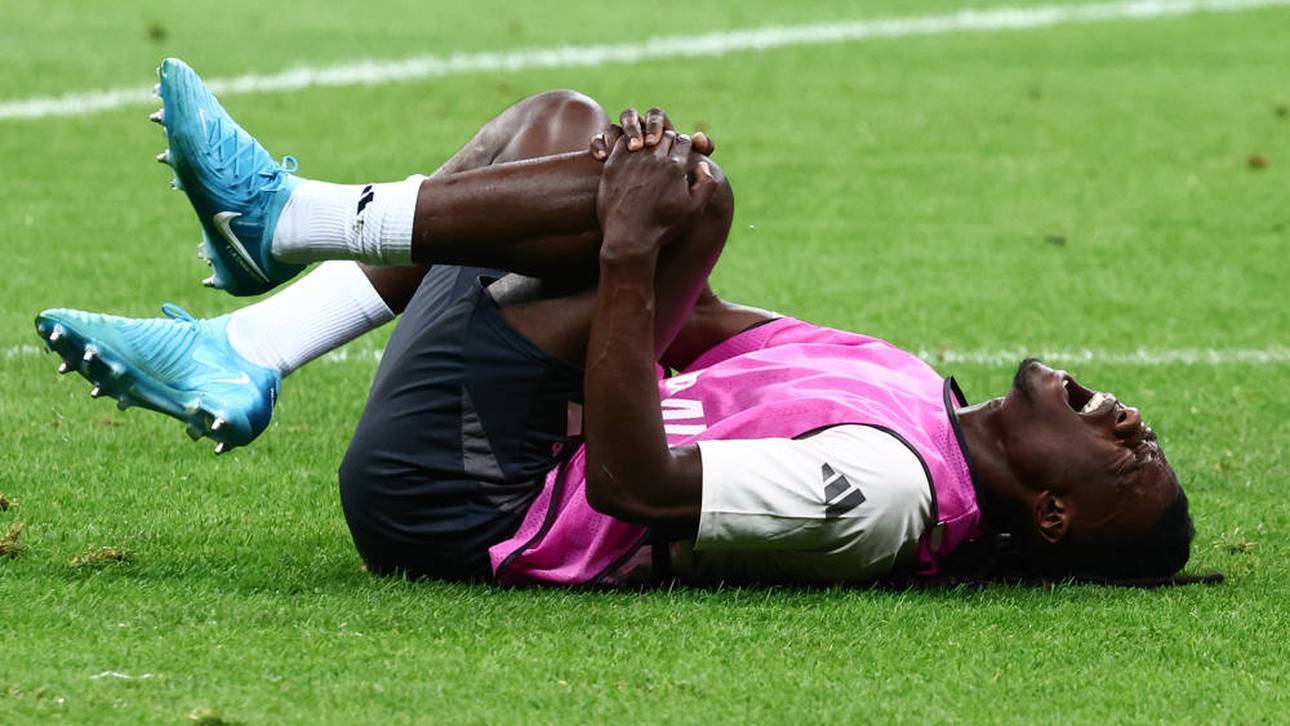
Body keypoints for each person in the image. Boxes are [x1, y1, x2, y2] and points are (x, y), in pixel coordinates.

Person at [35, 59, 1200, 588]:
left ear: (1053, 514)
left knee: (690, 201)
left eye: (1131, 459)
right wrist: (623, 214)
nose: (1132, 423)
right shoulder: (913, 388)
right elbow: (696, 323)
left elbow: (634, 486)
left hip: (473, 503)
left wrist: (637, 239)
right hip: (503, 439)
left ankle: (284, 235)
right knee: (575, 126)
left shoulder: (891, 493)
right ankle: (248, 342)